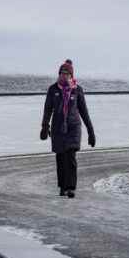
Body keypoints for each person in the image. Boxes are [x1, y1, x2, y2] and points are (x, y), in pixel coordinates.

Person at [40, 59, 96, 198]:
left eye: (67, 73)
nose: (64, 76)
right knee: (60, 157)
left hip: (73, 127)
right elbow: (48, 109)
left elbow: (84, 111)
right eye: (62, 73)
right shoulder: (53, 89)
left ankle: (71, 187)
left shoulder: (77, 90)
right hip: (58, 128)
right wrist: (44, 126)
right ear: (59, 74)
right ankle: (62, 186)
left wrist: (91, 131)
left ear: (71, 75)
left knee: (70, 156)